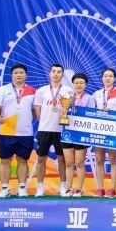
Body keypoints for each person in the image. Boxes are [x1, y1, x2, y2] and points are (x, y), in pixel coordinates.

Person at [0, 63, 36, 198]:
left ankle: (22, 188)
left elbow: (35, 110)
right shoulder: (3, 90)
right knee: (5, 161)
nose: (19, 75)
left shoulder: (33, 91)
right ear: (11, 75)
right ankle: (4, 189)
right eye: (16, 73)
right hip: (7, 132)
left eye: (21, 73)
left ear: (26, 75)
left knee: (23, 160)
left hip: (25, 132)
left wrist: (27, 119)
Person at [32, 63, 72, 197]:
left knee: (62, 159)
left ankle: (63, 186)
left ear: (62, 74)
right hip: (44, 129)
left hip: (61, 129)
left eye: (59, 72)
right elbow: (37, 107)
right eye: (53, 71)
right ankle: (40, 187)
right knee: (41, 158)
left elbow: (69, 108)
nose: (56, 74)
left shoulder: (68, 90)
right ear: (50, 74)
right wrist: (42, 120)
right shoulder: (41, 90)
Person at [92, 68, 116, 197]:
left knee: (113, 159)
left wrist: (114, 112)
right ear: (102, 78)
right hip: (99, 130)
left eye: (110, 76)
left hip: (113, 129)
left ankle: (112, 188)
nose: (108, 78)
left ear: (115, 78)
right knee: (99, 159)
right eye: (105, 76)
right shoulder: (96, 94)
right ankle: (100, 188)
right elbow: (91, 112)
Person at [63, 72, 93, 197]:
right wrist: (64, 110)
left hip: (81, 134)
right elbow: (62, 112)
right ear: (72, 84)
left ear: (85, 84)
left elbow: (91, 115)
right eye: (76, 83)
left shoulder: (89, 98)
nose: (78, 85)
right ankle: (68, 188)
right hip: (67, 133)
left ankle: (79, 189)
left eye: (81, 83)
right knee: (69, 163)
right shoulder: (67, 97)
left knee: (79, 163)